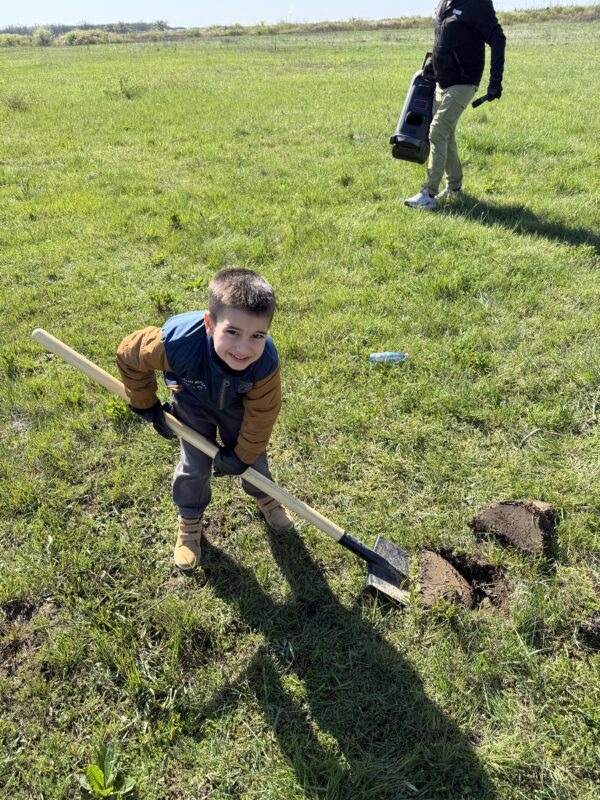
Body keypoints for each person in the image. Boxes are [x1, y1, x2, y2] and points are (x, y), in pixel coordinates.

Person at [116, 267, 294, 571]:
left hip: (237, 405)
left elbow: (262, 416)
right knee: (195, 465)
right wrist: (146, 404)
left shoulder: (264, 363)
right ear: (210, 324)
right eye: (233, 332)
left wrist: (242, 456)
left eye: (257, 336)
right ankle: (190, 518)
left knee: (254, 459)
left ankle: (265, 496)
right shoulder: (175, 343)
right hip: (192, 402)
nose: (243, 348)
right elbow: (129, 354)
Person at [405, 0, 506, 210]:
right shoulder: (444, 3)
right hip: (442, 81)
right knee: (446, 134)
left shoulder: (477, 4)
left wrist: (495, 81)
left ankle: (428, 194)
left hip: (465, 80)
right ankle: (454, 188)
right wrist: (434, 65)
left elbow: (498, 38)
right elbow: (445, 37)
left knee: (437, 131)